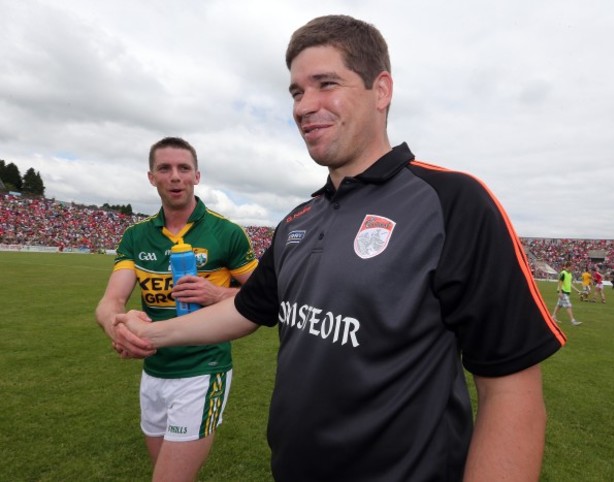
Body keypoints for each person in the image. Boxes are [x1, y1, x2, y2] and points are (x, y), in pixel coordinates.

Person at [114, 15, 566, 481]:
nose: (305, 106)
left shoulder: (453, 203)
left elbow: (511, 391)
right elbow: (248, 309)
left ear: (381, 90)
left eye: (325, 83)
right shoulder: (298, 220)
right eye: (295, 92)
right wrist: (150, 334)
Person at [95, 136, 258, 482]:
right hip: (153, 370)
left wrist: (216, 294)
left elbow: (266, 296)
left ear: (197, 176)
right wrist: (117, 327)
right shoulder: (135, 237)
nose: (175, 176)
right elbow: (111, 302)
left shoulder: (226, 233)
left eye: (184, 168)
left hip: (204, 368)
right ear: (151, 177)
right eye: (164, 168)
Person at [551, 260, 583, 325]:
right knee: (568, 306)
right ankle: (573, 321)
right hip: (563, 292)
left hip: (566, 292)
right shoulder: (563, 273)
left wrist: (577, 291)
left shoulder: (569, 274)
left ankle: (553, 317)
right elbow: (560, 282)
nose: (573, 268)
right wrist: (560, 292)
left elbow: (570, 284)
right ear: (568, 266)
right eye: (572, 267)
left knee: (559, 305)